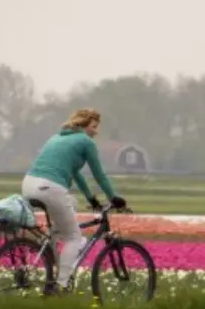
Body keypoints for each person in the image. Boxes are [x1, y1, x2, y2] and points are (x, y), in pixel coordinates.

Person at [22, 108, 127, 293]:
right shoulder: (86, 142)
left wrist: (91, 198)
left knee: (65, 213)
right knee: (74, 237)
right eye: (94, 127)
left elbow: (76, 174)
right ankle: (61, 285)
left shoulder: (56, 138)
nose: (96, 131)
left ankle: (50, 269)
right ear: (84, 126)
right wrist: (113, 197)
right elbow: (99, 175)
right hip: (51, 187)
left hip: (29, 184)